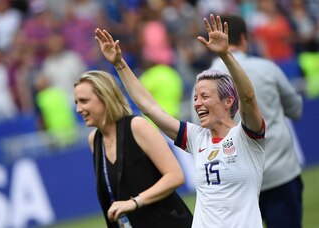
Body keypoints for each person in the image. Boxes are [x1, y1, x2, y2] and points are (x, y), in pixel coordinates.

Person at [95, 14, 266, 228]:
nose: (197, 103)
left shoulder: (248, 137)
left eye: (205, 97)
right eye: (195, 97)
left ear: (228, 100)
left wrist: (225, 55)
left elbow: (248, 98)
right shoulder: (197, 138)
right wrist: (120, 64)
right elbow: (150, 108)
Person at [190, 14, 303, 228]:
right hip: (278, 173)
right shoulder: (268, 68)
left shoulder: (201, 87)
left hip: (230, 183)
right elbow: (295, 110)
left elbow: (200, 130)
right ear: (243, 39)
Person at [73, 71, 193, 227]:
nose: (78, 109)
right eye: (76, 102)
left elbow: (175, 176)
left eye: (84, 101)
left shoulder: (137, 126)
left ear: (105, 97)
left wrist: (135, 202)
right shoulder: (94, 140)